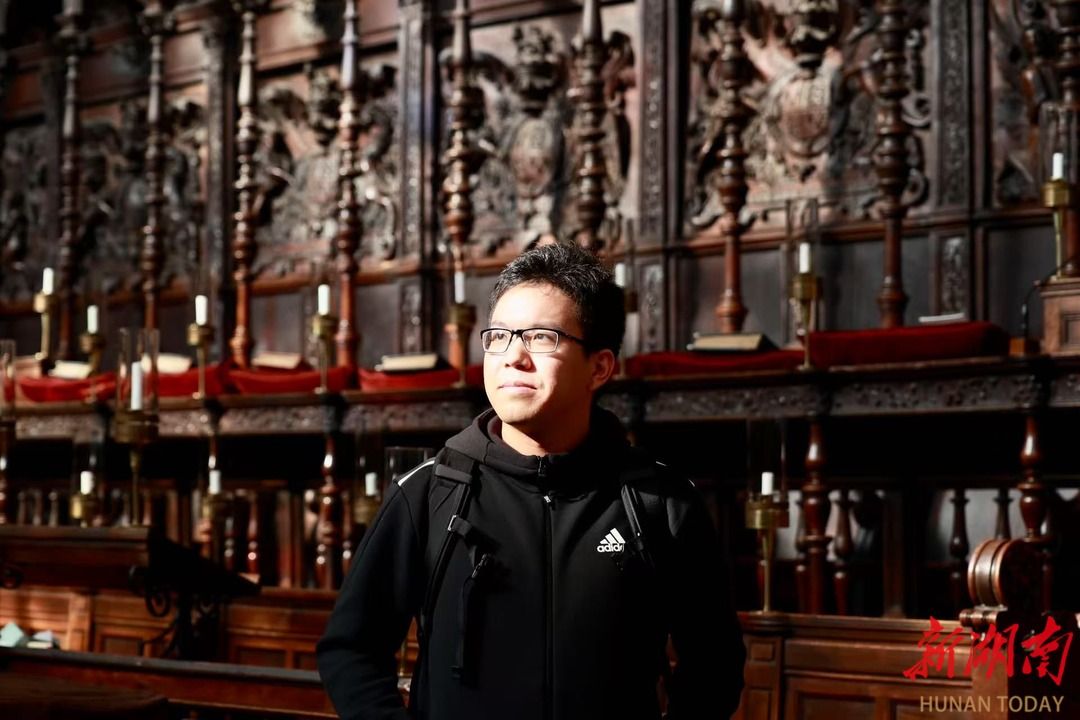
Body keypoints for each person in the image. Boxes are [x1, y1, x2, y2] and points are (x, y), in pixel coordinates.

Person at [317, 242, 746, 720]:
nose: (513, 356)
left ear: (599, 367)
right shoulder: (431, 493)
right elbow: (350, 649)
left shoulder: (658, 500)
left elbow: (715, 662)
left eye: (542, 337)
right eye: (499, 336)